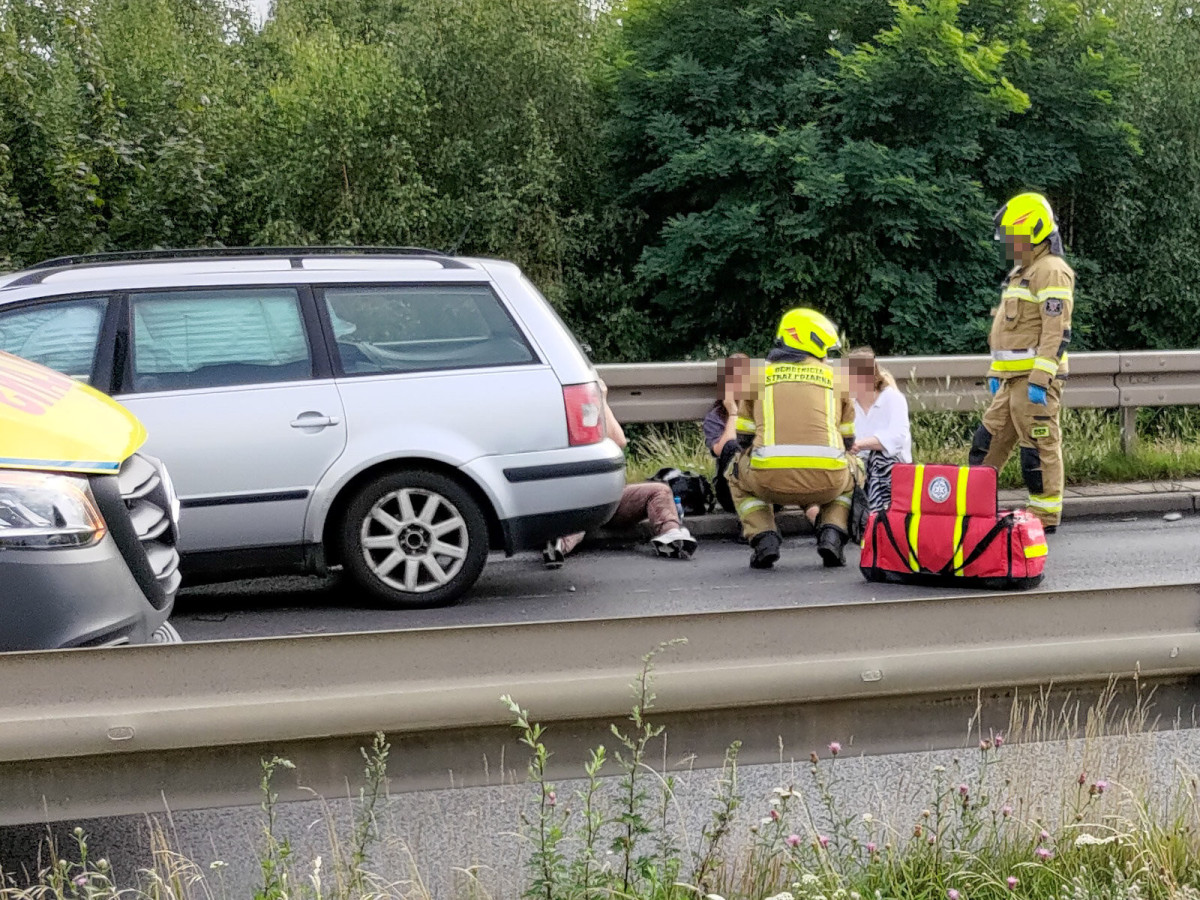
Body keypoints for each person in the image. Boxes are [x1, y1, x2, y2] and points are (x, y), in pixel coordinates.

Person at [714, 308, 858, 570]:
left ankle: (763, 537)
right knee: (855, 469)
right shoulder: (838, 378)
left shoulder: (757, 376)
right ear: (813, 344)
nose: (826, 355)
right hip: (828, 481)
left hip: (768, 481)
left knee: (734, 472)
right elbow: (848, 441)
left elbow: (744, 436)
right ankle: (832, 533)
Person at [968, 192, 1074, 533]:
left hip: (1033, 382)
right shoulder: (1022, 272)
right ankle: (970, 507)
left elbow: (1055, 330)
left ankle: (1044, 516)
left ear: (1035, 233)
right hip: (1012, 381)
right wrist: (997, 371)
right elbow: (1010, 332)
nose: (1008, 245)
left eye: (1013, 238)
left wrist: (1041, 379)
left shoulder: (1052, 271)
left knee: (1037, 450)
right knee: (986, 444)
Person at [543, 382, 698, 567]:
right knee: (576, 518)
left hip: (609, 496)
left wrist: (601, 402)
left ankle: (671, 534)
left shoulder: (591, 411)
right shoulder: (554, 416)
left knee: (659, 491)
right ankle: (557, 544)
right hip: (576, 499)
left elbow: (619, 441)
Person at [703, 355, 820, 525]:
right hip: (733, 492)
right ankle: (758, 524)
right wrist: (734, 412)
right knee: (732, 446)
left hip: (772, 485)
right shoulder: (717, 416)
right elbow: (721, 450)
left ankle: (821, 524)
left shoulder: (767, 407)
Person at [847, 347, 912, 512]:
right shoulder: (848, 404)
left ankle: (879, 515)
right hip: (858, 468)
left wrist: (861, 444)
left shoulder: (893, 399)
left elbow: (897, 438)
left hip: (892, 469)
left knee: (879, 458)